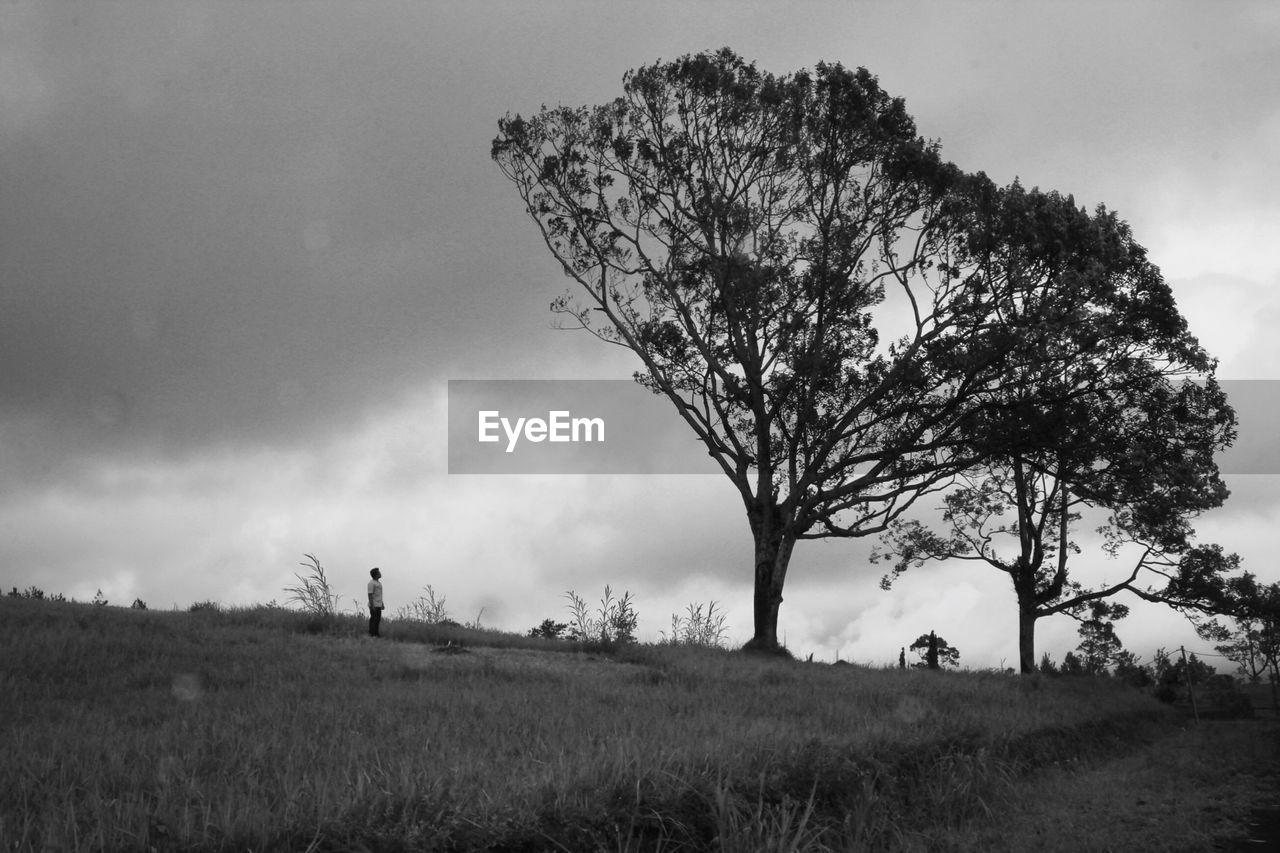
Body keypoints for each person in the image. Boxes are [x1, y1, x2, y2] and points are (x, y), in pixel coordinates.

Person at [367, 567, 384, 637]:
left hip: (378, 604)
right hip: (374, 604)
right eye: (379, 572)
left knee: (377, 620)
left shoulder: (378, 583)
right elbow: (370, 594)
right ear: (376, 574)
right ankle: (372, 634)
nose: (380, 573)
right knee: (373, 619)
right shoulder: (371, 583)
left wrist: (382, 603)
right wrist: (372, 605)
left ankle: (376, 634)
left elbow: (379, 594)